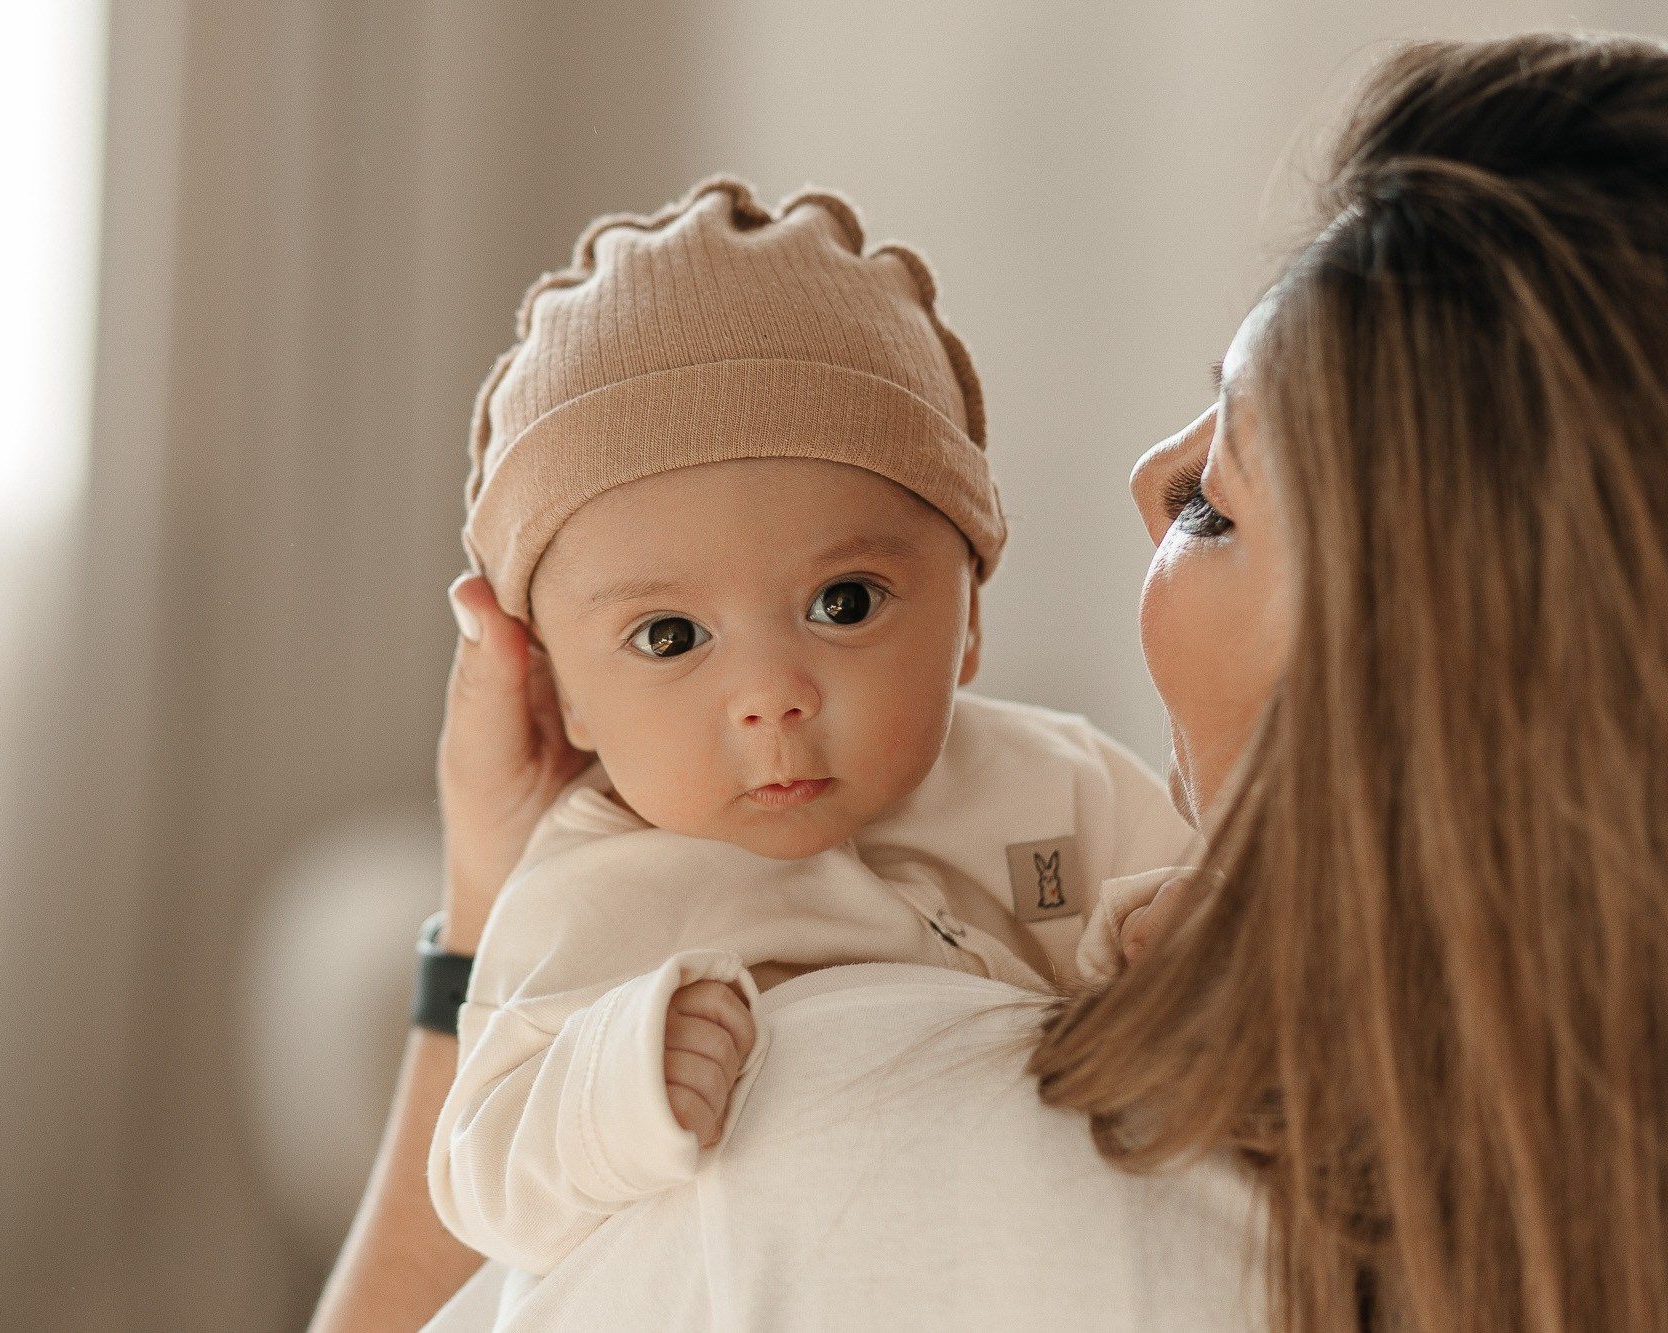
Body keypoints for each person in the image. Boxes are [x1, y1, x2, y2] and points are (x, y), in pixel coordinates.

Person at [311, 31, 1668, 1333]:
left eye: (1216, 505)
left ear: (1406, 674)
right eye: (669, 635)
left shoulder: (853, 1128)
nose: (1150, 477)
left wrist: (477, 928)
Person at [429, 178, 1198, 1287]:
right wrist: (615, 1079)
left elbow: (1221, 923)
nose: (771, 694)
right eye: (669, 635)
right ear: (559, 693)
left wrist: (1170, 929)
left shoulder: (1063, 785)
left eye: (843, 604)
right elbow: (479, 1171)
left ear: (968, 617)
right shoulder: (587, 894)